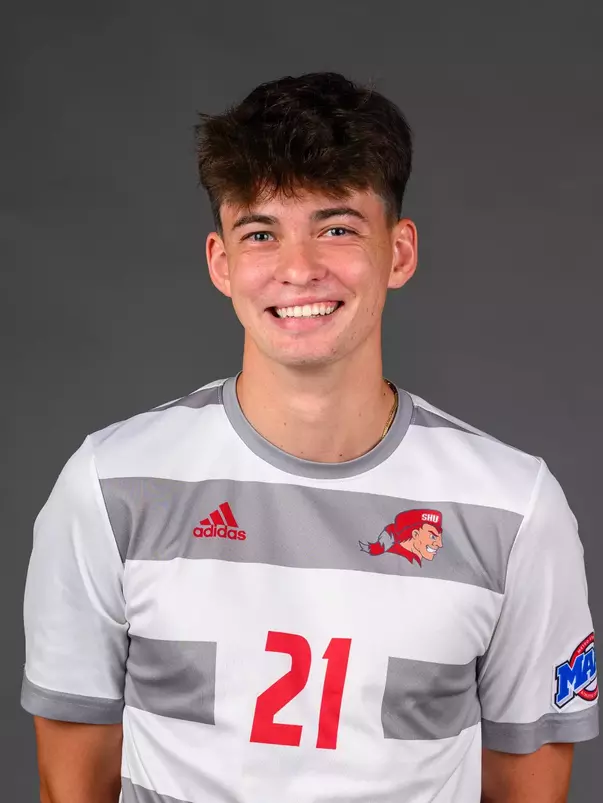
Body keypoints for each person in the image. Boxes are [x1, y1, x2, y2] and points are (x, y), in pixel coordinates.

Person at [21, 71, 598, 803]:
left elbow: (529, 788)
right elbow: (71, 781)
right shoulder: (109, 485)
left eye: (336, 227)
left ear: (399, 251)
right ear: (221, 264)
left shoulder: (515, 507)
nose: (297, 269)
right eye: (261, 233)